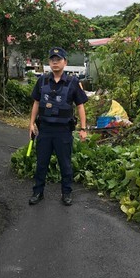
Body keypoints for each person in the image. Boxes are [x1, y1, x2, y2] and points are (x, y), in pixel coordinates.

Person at [28, 47, 88, 206]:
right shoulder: (42, 80)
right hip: (45, 130)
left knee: (65, 164)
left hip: (63, 131)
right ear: (49, 63)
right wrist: (31, 123)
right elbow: (36, 103)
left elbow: (80, 106)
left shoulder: (73, 82)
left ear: (65, 62)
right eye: (52, 60)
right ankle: (38, 192)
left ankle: (66, 193)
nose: (55, 62)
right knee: (41, 163)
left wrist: (83, 128)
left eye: (58, 59)